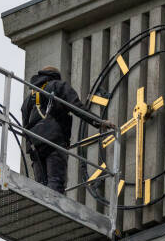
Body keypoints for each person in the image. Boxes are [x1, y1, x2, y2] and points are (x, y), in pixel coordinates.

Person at [21, 66, 113, 194]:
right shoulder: (58, 86)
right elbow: (76, 106)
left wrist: (30, 144)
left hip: (34, 145)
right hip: (53, 139)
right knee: (55, 182)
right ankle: (53, 209)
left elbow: (25, 126)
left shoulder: (28, 99)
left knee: (40, 185)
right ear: (55, 76)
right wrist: (99, 122)